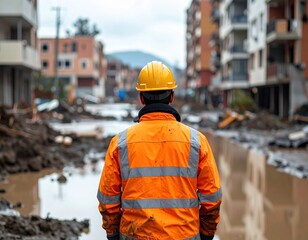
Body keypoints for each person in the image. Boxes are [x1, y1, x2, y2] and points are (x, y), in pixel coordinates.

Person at [97, 61, 222, 240]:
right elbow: (212, 199)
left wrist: (113, 234)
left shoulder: (120, 143)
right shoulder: (197, 141)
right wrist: (207, 234)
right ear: (172, 97)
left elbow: (108, 199)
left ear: (141, 98)